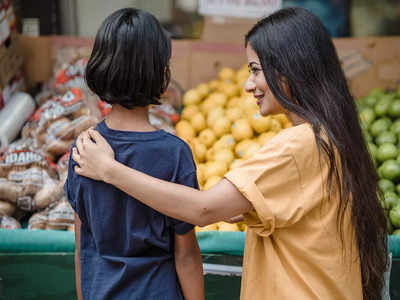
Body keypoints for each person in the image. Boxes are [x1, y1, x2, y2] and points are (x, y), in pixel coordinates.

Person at [72, 7, 388, 300]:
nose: (248, 85)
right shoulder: (326, 137)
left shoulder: (298, 145)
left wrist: (110, 170)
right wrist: (247, 205)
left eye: (255, 70)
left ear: (290, 71)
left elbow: (203, 210)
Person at [64, 8, 204, 300]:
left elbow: (83, 248)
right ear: (161, 74)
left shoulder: (84, 149)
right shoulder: (175, 154)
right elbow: (187, 256)